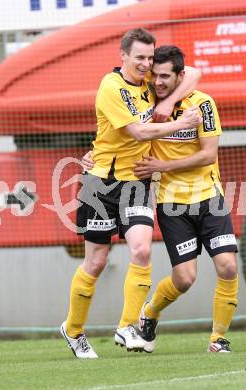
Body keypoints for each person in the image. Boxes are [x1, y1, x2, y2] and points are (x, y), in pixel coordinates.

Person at [60, 29, 201, 359]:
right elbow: (138, 131)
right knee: (95, 262)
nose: (146, 64)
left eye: (150, 57)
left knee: (141, 250)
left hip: (136, 181)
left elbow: (194, 72)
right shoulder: (111, 87)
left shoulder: (151, 83)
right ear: (122, 56)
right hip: (101, 184)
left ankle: (127, 326)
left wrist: (166, 102)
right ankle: (74, 330)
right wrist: (179, 123)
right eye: (139, 57)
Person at [133, 45, 239, 353]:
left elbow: (208, 155)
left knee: (228, 267)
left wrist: (161, 166)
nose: (159, 81)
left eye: (166, 76)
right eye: (155, 75)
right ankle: (150, 313)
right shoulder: (146, 103)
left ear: (180, 76)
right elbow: (123, 134)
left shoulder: (203, 104)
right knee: (184, 279)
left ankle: (218, 339)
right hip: (171, 204)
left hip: (209, 198)